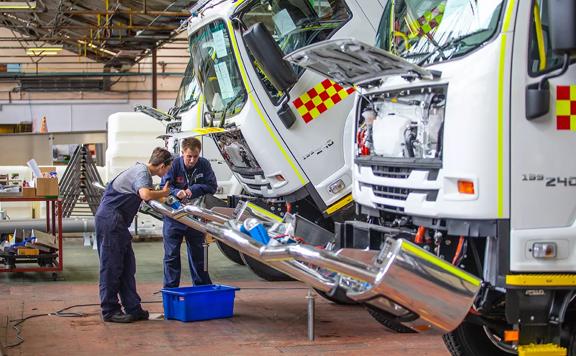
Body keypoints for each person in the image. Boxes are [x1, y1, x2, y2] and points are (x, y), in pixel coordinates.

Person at [95, 147, 173, 323]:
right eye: (168, 168)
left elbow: (149, 197)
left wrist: (168, 198)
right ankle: (110, 310)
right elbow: (145, 195)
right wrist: (164, 193)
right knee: (112, 267)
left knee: (127, 267)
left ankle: (133, 308)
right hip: (111, 221)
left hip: (118, 223)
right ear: (162, 166)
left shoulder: (141, 172)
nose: (168, 171)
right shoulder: (142, 173)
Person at [161, 137, 217, 288]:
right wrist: (176, 191)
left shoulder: (204, 164)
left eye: (195, 156)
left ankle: (202, 289)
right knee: (171, 256)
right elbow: (163, 187)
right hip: (174, 217)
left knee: (198, 255)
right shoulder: (173, 165)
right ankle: (170, 290)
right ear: (182, 153)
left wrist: (193, 190)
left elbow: (212, 186)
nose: (192, 160)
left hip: (195, 216)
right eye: (189, 156)